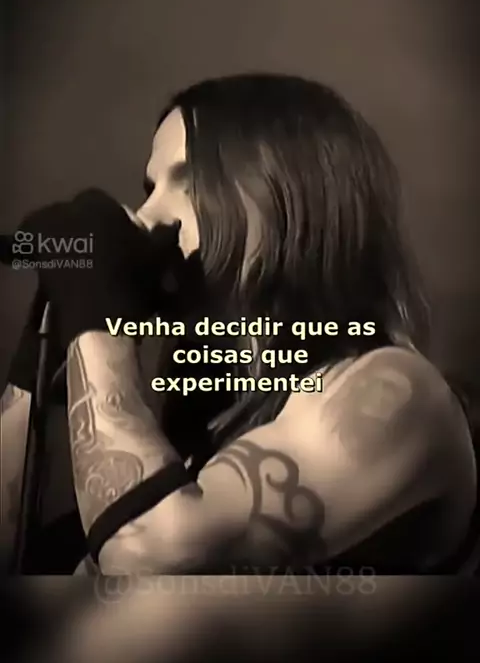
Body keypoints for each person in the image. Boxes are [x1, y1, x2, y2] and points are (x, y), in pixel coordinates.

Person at [2, 73, 477, 575]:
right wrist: (42, 356)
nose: (147, 215)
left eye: (191, 183)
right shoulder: (200, 429)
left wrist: (96, 315)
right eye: (150, 188)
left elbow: (149, 553)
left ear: (290, 196)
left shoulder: (396, 393)